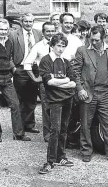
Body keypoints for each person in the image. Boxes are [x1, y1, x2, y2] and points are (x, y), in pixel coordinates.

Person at [74, 25, 108, 163]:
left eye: (97, 40)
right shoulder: (82, 50)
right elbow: (75, 72)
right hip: (88, 92)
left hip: (105, 93)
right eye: (92, 39)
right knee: (86, 124)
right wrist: (80, 89)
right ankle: (86, 151)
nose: (94, 42)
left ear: (104, 38)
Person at [37, 33, 77, 174]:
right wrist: (65, 80)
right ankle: (49, 161)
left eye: (63, 46)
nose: (60, 49)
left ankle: (61, 157)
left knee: (64, 129)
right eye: (58, 45)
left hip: (68, 99)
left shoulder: (66, 62)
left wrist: (61, 81)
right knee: (55, 130)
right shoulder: (46, 61)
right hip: (54, 100)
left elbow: (73, 82)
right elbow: (48, 82)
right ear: (52, 45)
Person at [8, 13, 43, 134]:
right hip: (20, 69)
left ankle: (29, 124)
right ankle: (19, 126)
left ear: (34, 22)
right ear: (21, 22)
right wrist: (14, 69)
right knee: (19, 99)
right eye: (26, 21)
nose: (28, 24)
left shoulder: (38, 33)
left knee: (32, 98)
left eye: (31, 21)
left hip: (34, 68)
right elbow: (8, 54)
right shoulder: (13, 34)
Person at [23, 22, 58, 142]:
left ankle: (59, 134)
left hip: (60, 81)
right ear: (43, 33)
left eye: (52, 31)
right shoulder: (38, 46)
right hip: (46, 82)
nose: (50, 33)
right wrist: (35, 78)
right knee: (47, 108)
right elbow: (27, 64)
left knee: (60, 108)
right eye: (48, 31)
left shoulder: (60, 45)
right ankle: (48, 135)